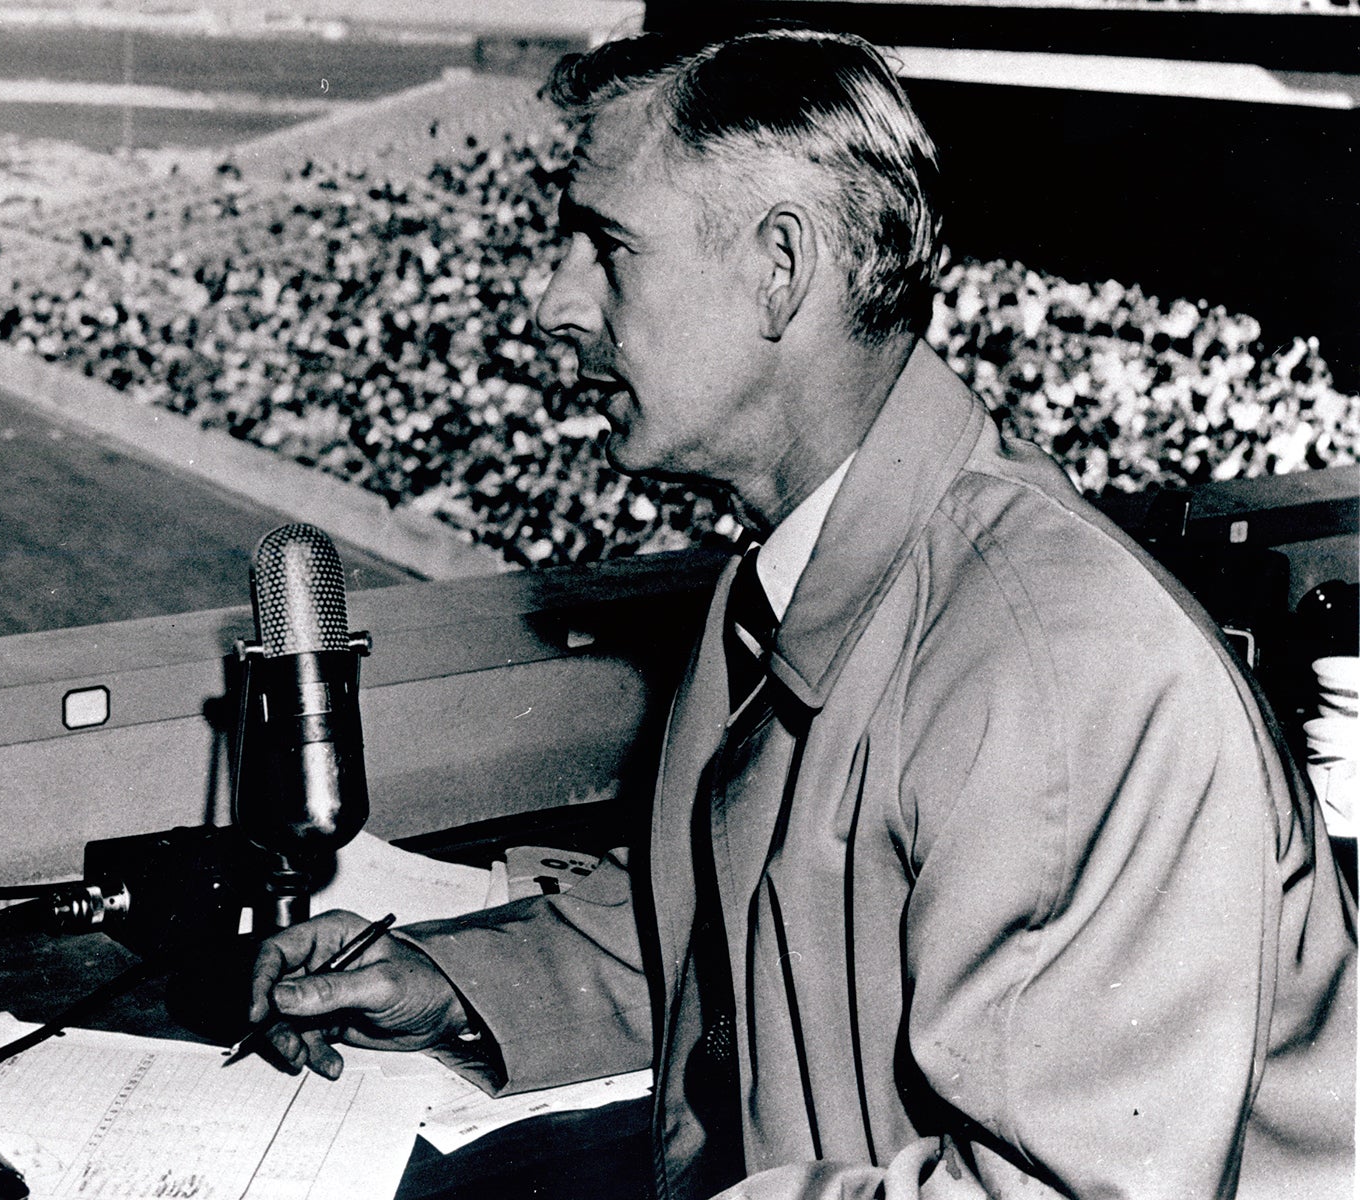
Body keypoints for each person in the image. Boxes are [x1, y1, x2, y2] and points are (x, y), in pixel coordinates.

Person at [244, 26, 1356, 1198]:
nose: (552, 307)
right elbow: (773, 925)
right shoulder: (787, 570)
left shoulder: (1063, 666)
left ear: (781, 267)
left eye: (605, 248)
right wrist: (464, 985)